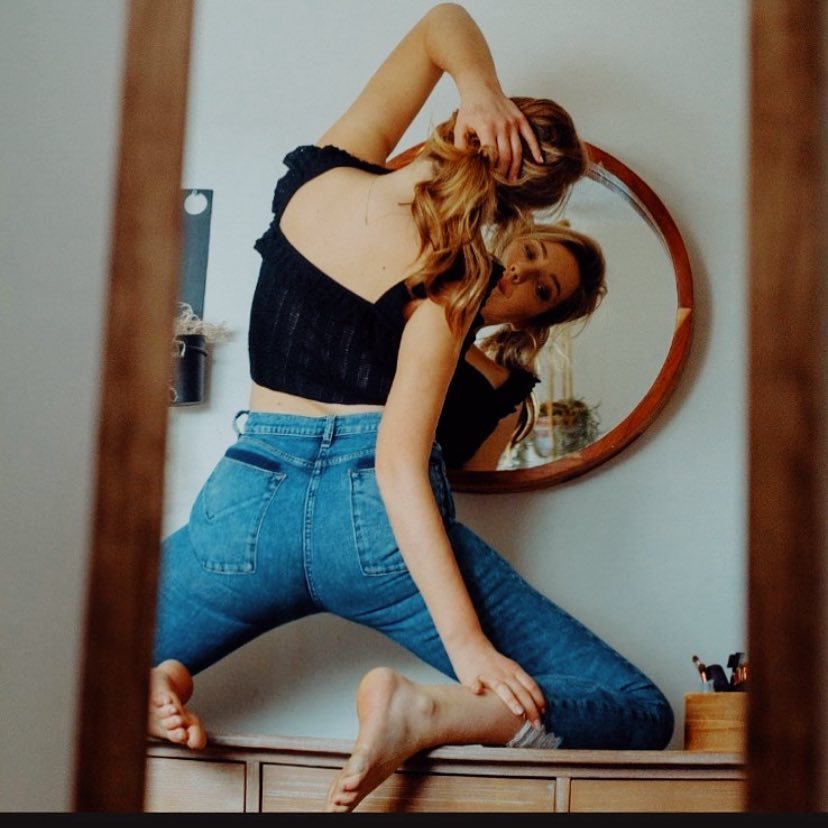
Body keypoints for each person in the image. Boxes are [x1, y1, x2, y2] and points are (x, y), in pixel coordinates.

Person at [147, 3, 674, 812]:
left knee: (72, 667)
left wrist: (479, 87)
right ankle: (429, 713)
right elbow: (397, 465)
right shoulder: (453, 276)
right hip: (373, 534)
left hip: (244, 515)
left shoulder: (315, 181)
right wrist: (467, 652)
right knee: (637, 711)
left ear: (460, 127)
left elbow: (441, 21)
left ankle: (145, 677)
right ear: (518, 212)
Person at [436, 219, 607, 470]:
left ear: (528, 321)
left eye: (542, 289)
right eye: (529, 252)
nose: (520, 271)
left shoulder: (502, 397)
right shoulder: (410, 274)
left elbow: (474, 488)